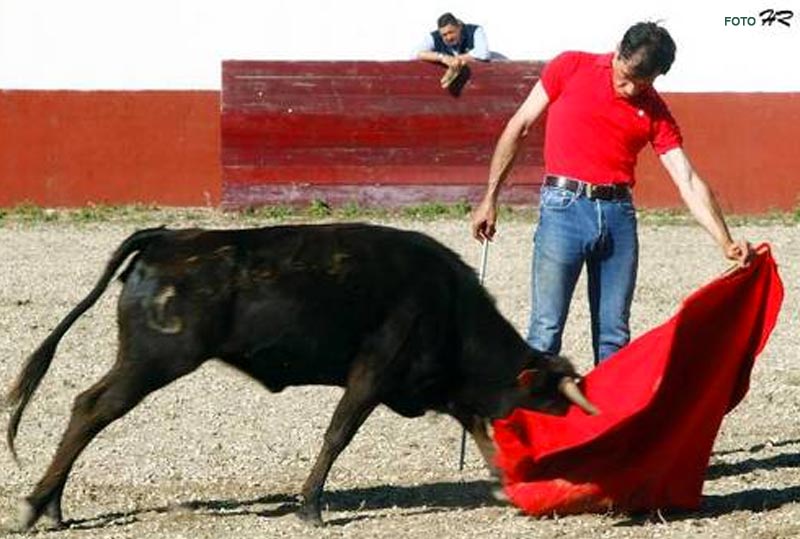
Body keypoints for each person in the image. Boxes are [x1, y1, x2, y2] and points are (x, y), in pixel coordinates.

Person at [470, 22, 754, 365]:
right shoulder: (570, 66)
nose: (631, 88)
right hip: (563, 208)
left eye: (643, 82)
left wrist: (725, 241)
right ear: (618, 50)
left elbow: (687, 179)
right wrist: (490, 198)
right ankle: (531, 418)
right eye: (626, 76)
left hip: (619, 215)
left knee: (614, 338)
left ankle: (609, 420)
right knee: (545, 331)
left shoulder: (654, 109)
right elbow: (520, 126)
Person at [414, 13, 490, 87]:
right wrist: (443, 58)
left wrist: (454, 59)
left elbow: (483, 54)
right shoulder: (435, 37)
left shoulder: (475, 30)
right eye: (444, 35)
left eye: (451, 32)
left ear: (459, 27)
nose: (449, 37)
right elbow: (416, 53)